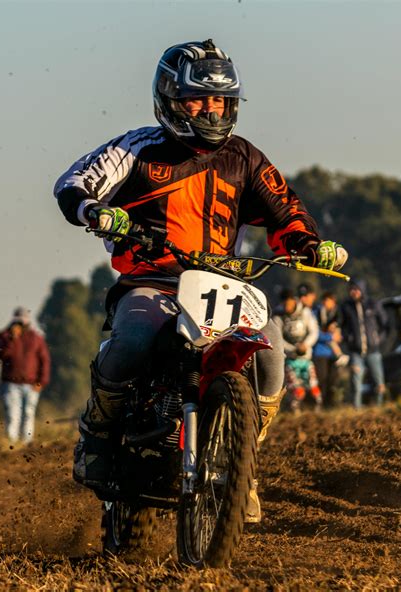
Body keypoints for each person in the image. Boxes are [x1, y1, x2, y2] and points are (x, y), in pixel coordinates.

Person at [54, 39, 348, 522]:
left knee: (272, 351)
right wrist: (98, 213)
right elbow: (73, 182)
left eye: (220, 101)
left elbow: (286, 210)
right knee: (132, 340)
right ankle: (97, 433)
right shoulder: (138, 148)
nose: (210, 111)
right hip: (154, 281)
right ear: (170, 100)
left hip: (223, 284)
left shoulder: (245, 157)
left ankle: (241, 466)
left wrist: (309, 244)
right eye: (198, 100)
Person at [0, 307, 50, 444]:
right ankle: (11, 443)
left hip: (31, 384)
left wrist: (42, 381)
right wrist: (12, 339)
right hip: (10, 383)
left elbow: (44, 360)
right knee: (12, 414)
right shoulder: (4, 336)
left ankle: (26, 442)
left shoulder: (36, 338)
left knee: (28, 414)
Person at [273, 289, 322, 412]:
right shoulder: (278, 316)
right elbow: (277, 338)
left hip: (306, 357)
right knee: (295, 387)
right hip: (290, 359)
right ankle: (295, 412)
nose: (287, 307)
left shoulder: (305, 312)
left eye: (288, 304)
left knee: (313, 384)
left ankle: (318, 409)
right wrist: (293, 349)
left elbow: (314, 331)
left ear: (293, 301)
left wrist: (305, 345)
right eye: (284, 305)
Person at [341, 279, 387, 409]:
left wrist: (378, 339)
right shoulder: (346, 307)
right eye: (351, 289)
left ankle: (378, 408)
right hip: (356, 351)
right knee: (356, 380)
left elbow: (385, 325)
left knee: (379, 381)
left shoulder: (373, 304)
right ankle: (357, 409)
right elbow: (343, 327)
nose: (353, 292)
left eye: (356, 289)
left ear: (362, 289)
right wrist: (348, 339)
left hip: (374, 351)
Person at [312, 292, 348, 407]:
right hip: (320, 352)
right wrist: (330, 336)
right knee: (321, 379)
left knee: (333, 380)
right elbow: (314, 333)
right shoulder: (316, 313)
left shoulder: (338, 313)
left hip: (333, 354)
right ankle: (320, 404)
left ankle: (330, 404)